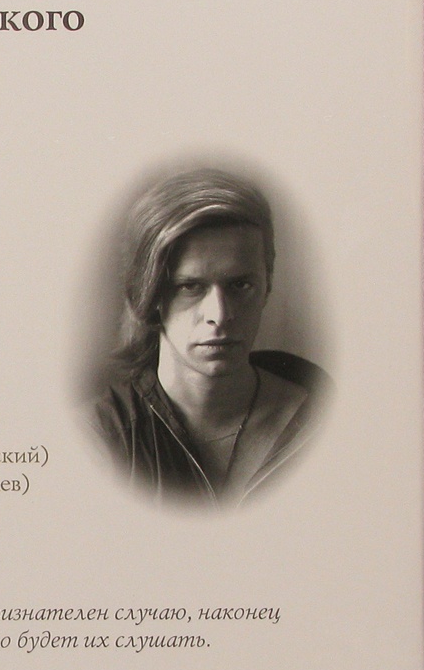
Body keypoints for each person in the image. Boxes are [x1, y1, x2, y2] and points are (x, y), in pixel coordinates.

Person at [91, 168, 326, 505]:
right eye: (190, 286)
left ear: (267, 285)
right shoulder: (102, 439)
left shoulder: (323, 416)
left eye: (240, 285)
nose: (220, 314)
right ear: (149, 294)